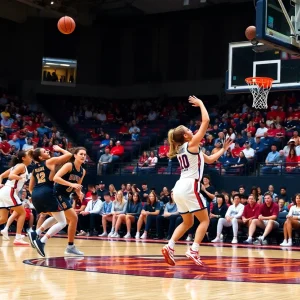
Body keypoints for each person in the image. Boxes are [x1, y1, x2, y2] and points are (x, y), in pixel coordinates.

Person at [161, 96, 232, 266]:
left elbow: (209, 160)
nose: (192, 130)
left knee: (188, 222)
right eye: (188, 129)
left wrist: (223, 150)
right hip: (189, 185)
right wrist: (201, 103)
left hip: (178, 188)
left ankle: (170, 246)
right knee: (205, 219)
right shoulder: (191, 144)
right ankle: (193, 249)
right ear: (186, 135)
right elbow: (206, 121)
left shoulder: (184, 149)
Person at [27, 146, 72, 257]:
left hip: (36, 194)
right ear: (40, 157)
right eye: (44, 151)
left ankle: (35, 233)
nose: (47, 151)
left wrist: (37, 195)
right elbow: (69, 155)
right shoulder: (49, 161)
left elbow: (30, 187)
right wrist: (60, 149)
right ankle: (41, 241)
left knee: (57, 217)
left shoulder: (34, 169)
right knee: (63, 222)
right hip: (47, 192)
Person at [53, 147, 87, 255]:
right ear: (75, 155)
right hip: (57, 193)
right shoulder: (69, 165)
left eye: (85, 155)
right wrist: (71, 184)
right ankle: (70, 246)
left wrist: (79, 193)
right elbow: (55, 178)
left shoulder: (82, 171)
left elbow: (78, 187)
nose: (83, 156)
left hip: (66, 196)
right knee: (73, 218)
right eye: (81, 154)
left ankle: (38, 233)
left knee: (65, 220)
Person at [0, 151, 32, 245]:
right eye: (29, 156)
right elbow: (11, 176)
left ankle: (18, 236)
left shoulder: (17, 166)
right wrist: (22, 178)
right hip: (10, 191)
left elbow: (1, 175)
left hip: (4, 191)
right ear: (23, 158)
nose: (31, 158)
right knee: (22, 212)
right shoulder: (21, 166)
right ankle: (18, 238)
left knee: (3, 219)